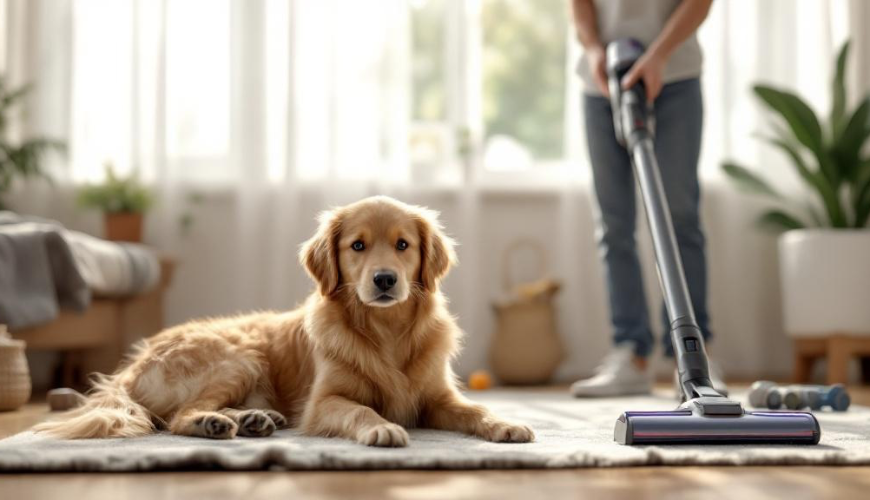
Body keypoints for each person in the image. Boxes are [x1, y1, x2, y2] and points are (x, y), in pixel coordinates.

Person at [570, 0, 724, 397]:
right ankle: (631, 353)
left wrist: (657, 56)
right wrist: (593, 51)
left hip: (675, 75)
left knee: (680, 217)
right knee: (613, 224)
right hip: (602, 80)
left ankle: (691, 358)